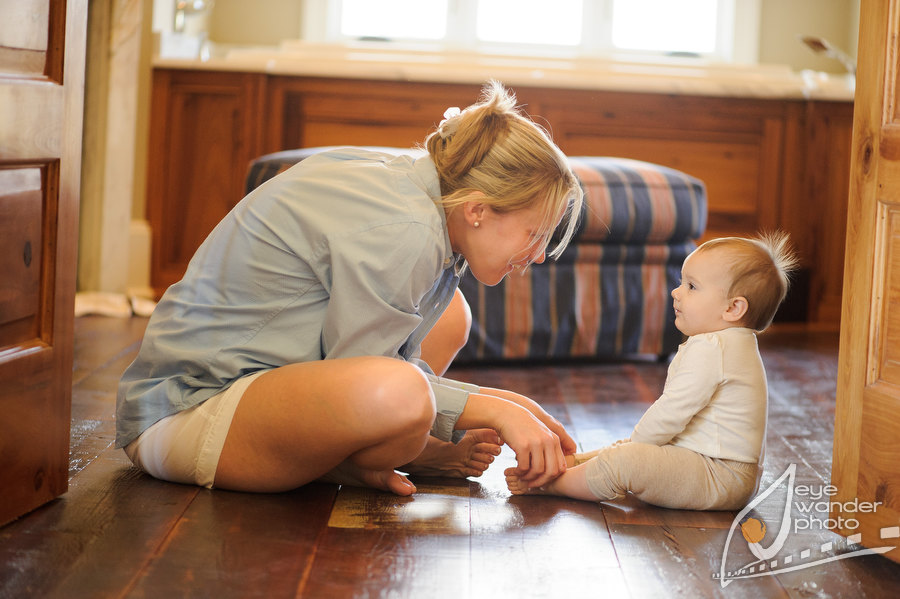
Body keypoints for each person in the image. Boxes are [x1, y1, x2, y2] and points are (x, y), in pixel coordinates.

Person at [116, 81, 584, 496]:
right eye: (535, 234)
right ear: (478, 210)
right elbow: (372, 375)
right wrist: (496, 412)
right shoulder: (408, 228)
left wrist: (508, 405)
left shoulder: (417, 192)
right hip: (182, 415)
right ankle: (363, 461)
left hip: (245, 383)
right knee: (401, 394)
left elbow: (377, 361)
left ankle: (383, 455)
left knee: (450, 316)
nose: (539, 255)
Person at [506, 232, 799, 510]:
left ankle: (554, 484)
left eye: (691, 287)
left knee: (629, 458)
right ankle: (576, 464)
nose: (676, 292)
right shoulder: (731, 344)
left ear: (733, 309)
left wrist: (636, 448)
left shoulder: (713, 347)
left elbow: (673, 411)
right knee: (629, 449)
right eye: (681, 282)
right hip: (722, 472)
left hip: (719, 475)